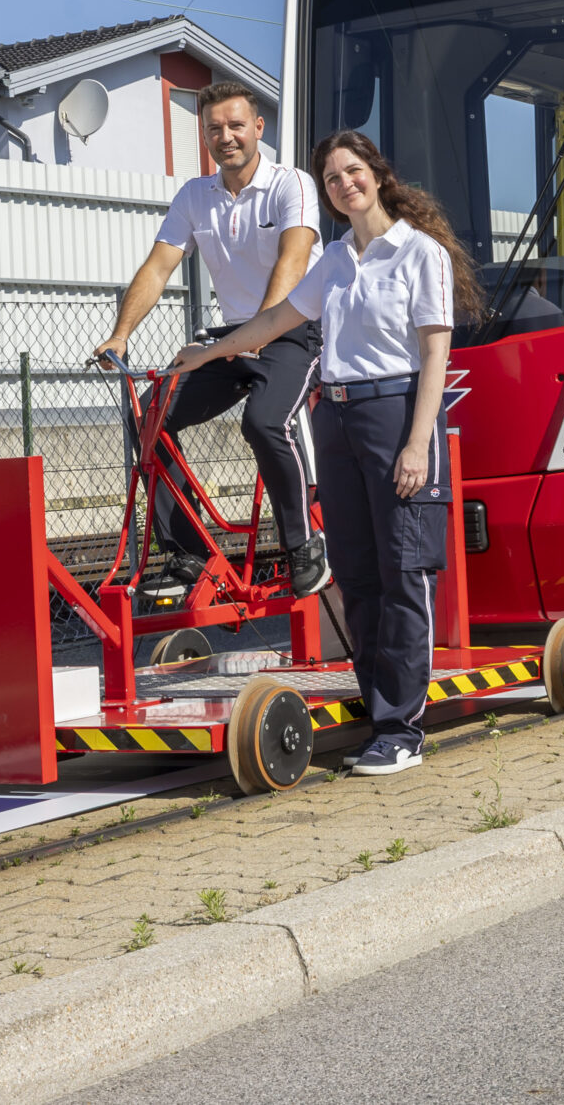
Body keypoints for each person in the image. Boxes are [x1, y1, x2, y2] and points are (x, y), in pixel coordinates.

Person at [172, 130, 482, 776]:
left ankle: (403, 728)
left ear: (378, 173)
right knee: (358, 575)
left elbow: (434, 353)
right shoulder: (336, 260)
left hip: (396, 414)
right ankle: (378, 710)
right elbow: (274, 321)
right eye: (332, 178)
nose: (344, 183)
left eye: (353, 170)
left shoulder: (419, 254)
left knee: (404, 574)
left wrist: (418, 441)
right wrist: (209, 352)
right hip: (335, 418)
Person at [93, 81, 330, 593]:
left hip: (293, 329)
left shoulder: (293, 185)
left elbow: (292, 265)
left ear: (258, 128)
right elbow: (157, 268)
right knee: (151, 417)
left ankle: (305, 543)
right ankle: (188, 554)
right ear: (204, 135)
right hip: (231, 337)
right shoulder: (195, 196)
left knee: (265, 423)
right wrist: (120, 334)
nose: (226, 137)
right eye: (214, 129)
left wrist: (258, 333)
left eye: (236, 125)